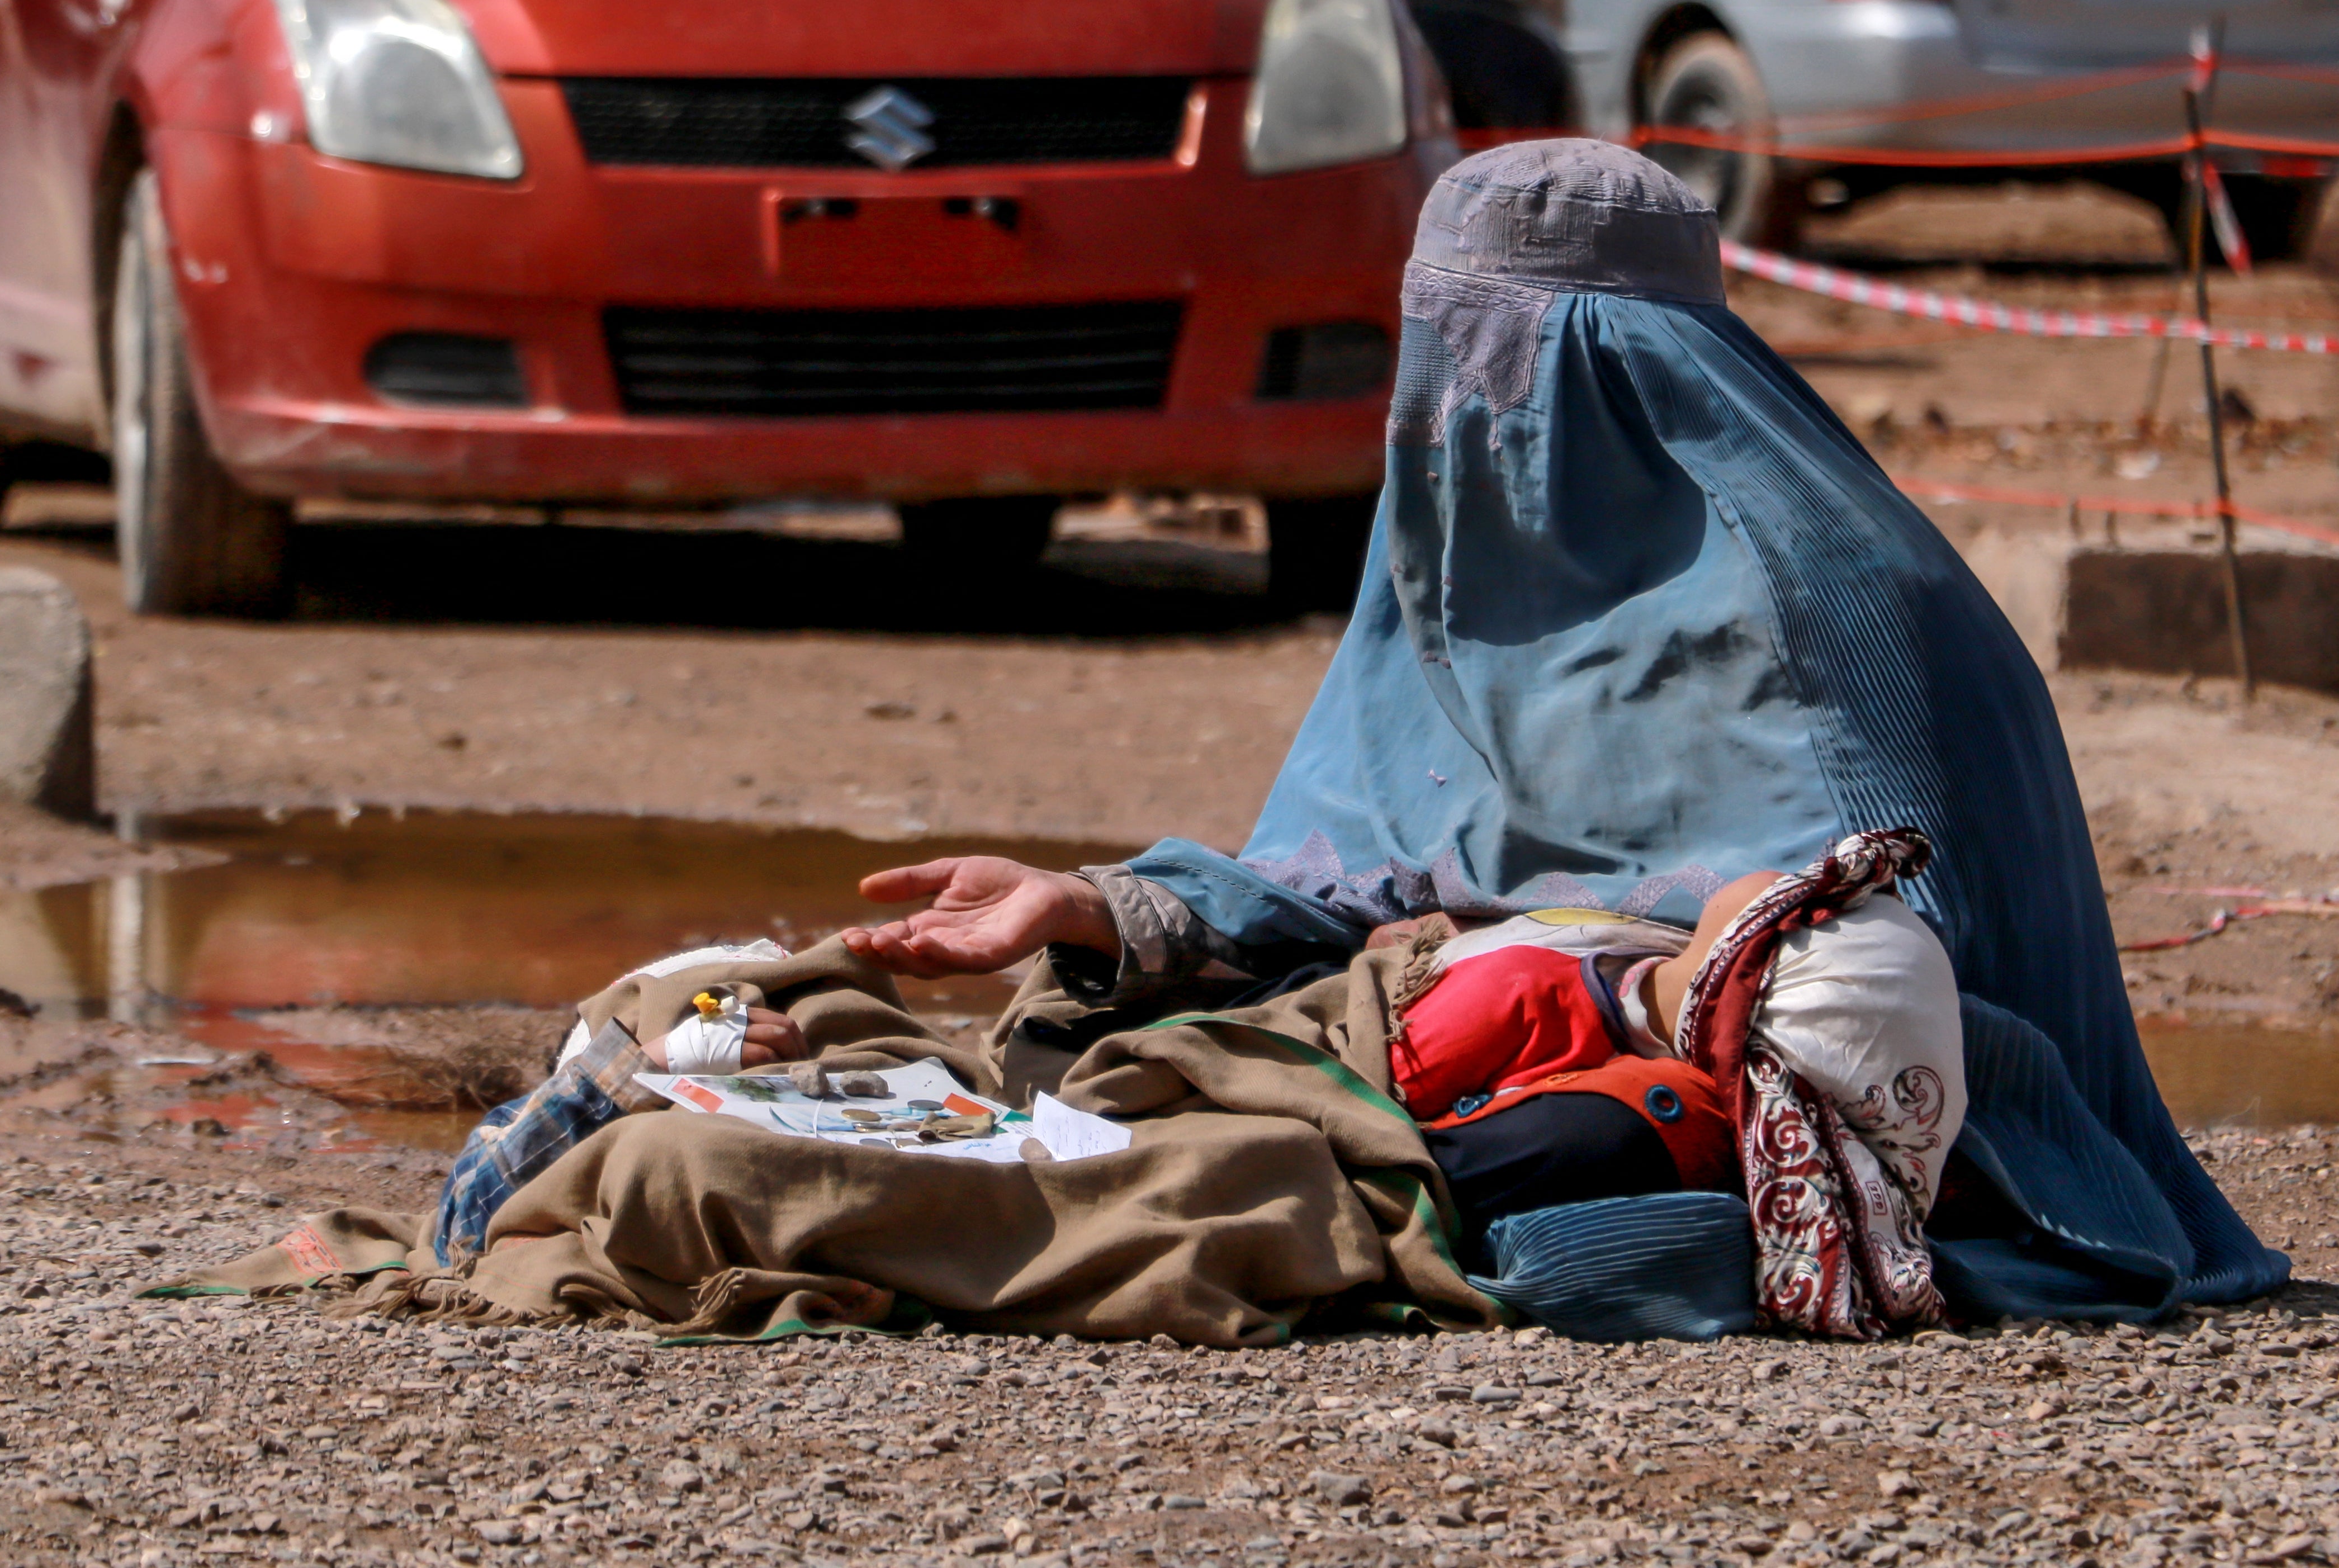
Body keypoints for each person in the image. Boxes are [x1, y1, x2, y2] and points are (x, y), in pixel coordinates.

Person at [847, 136, 2281, 1323]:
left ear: (1626, 364)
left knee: (1549, 1146)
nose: (1463, 411)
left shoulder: (1841, 604)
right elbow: (1359, 877)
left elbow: (1900, 983)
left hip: (1800, 1092)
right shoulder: (1456, 580)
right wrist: (1093, 908)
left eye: (1500, 361)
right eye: (1440, 363)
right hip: (1469, 1035)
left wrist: (1628, 975)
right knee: (1120, 1048)